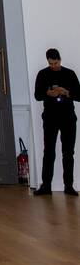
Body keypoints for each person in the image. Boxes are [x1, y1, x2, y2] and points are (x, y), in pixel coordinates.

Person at [33, 48, 79, 196]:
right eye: (51, 63)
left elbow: (79, 95)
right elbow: (37, 96)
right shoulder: (42, 74)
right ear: (47, 61)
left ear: (60, 59)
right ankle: (46, 185)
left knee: (68, 152)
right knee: (49, 151)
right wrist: (48, 92)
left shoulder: (69, 73)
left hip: (68, 118)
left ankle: (69, 185)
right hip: (50, 117)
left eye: (56, 62)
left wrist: (66, 92)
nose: (53, 65)